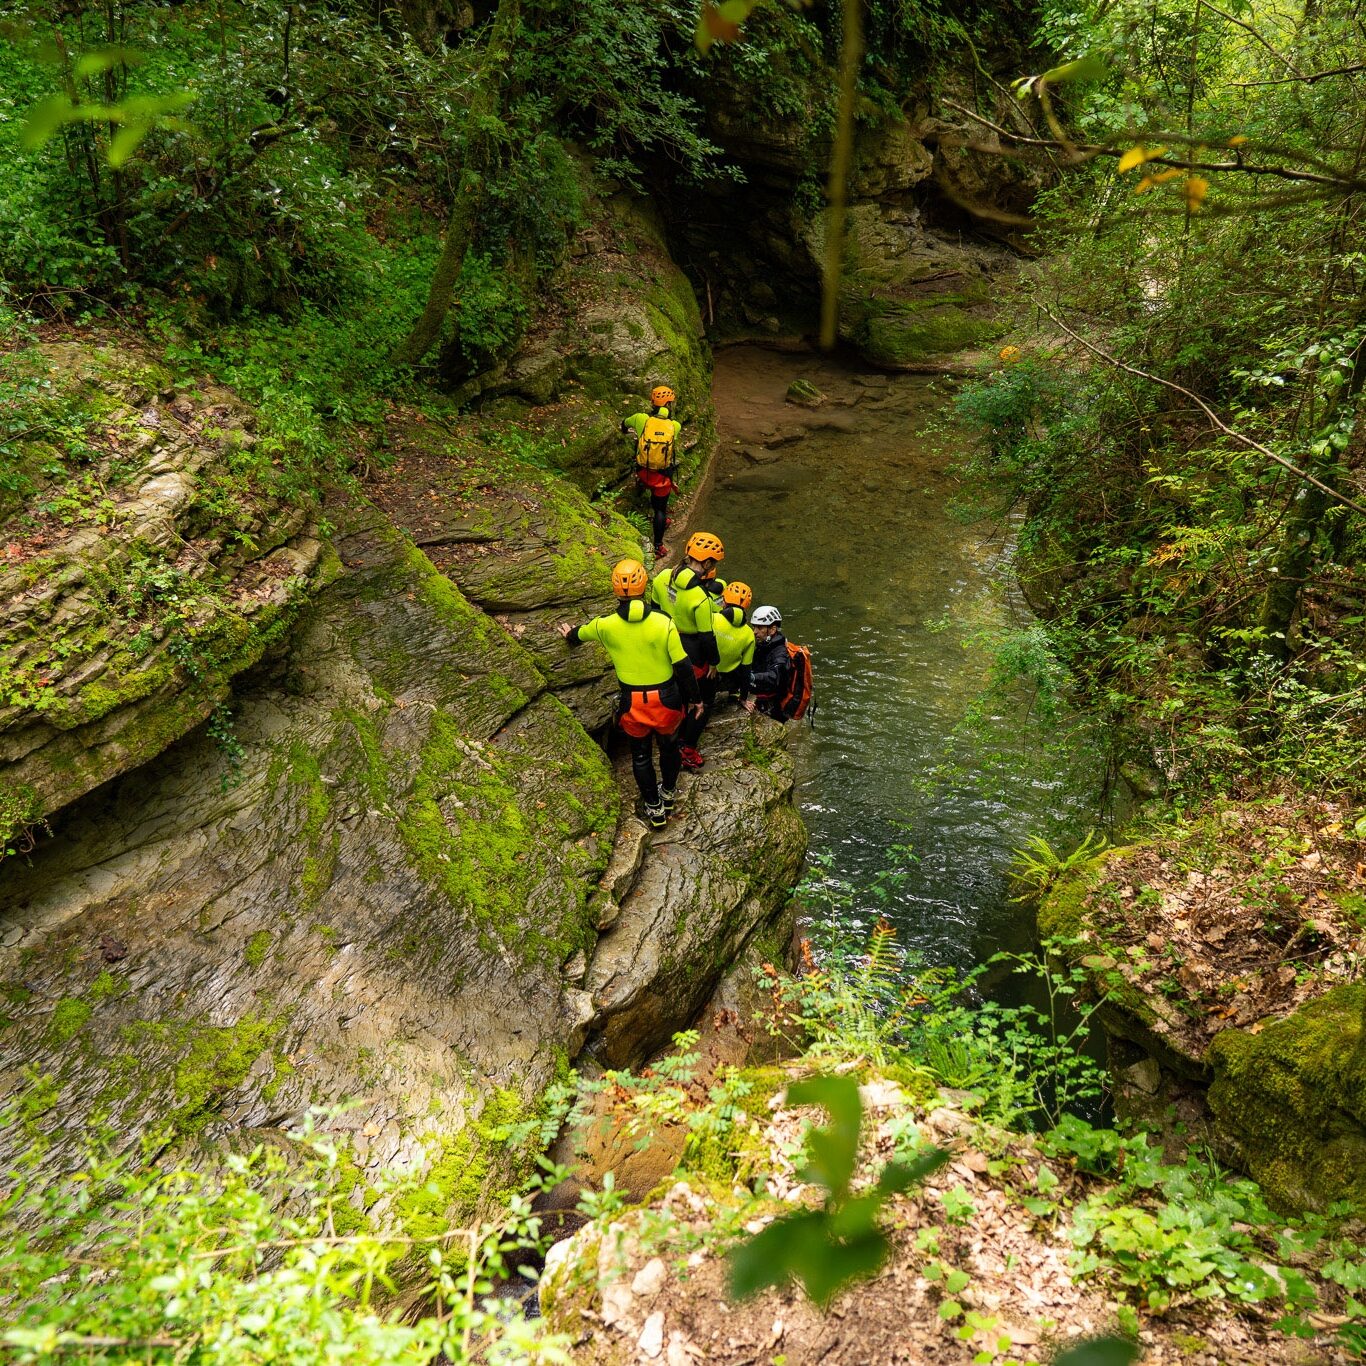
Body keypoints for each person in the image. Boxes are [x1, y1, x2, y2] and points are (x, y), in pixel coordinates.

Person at [559, 558, 703, 830]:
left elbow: (580, 634)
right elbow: (682, 666)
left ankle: (655, 809)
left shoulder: (607, 625)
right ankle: (669, 795)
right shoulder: (664, 623)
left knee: (641, 756)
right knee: (669, 747)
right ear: (644, 585)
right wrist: (696, 699)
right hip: (667, 699)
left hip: (633, 702)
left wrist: (570, 634)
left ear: (616, 590)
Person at [652, 531, 724, 769]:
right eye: (712, 563)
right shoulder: (699, 598)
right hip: (693, 653)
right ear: (706, 563)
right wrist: (714, 662)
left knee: (680, 695)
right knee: (705, 700)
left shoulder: (662, 577)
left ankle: (671, 737)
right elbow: (706, 636)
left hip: (667, 644)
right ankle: (688, 748)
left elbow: (655, 610)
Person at [622, 385, 682, 561]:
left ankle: (656, 518)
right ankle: (658, 546)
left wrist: (625, 431)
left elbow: (624, 424)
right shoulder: (674, 426)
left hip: (642, 472)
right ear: (669, 405)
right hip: (662, 478)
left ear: (652, 402)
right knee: (660, 510)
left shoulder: (641, 419)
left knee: (649, 485)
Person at [713, 581, 757, 712]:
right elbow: (746, 670)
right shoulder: (749, 633)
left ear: (724, 602)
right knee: (743, 663)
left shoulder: (712, 618)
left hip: (707, 678)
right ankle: (734, 694)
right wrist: (743, 698)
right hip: (729, 682)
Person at [749, 605, 791, 721]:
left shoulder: (780, 652)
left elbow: (775, 677)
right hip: (759, 694)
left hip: (772, 705)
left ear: (772, 630)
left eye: (759, 628)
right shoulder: (762, 644)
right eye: (754, 627)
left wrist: (752, 677)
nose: (754, 632)